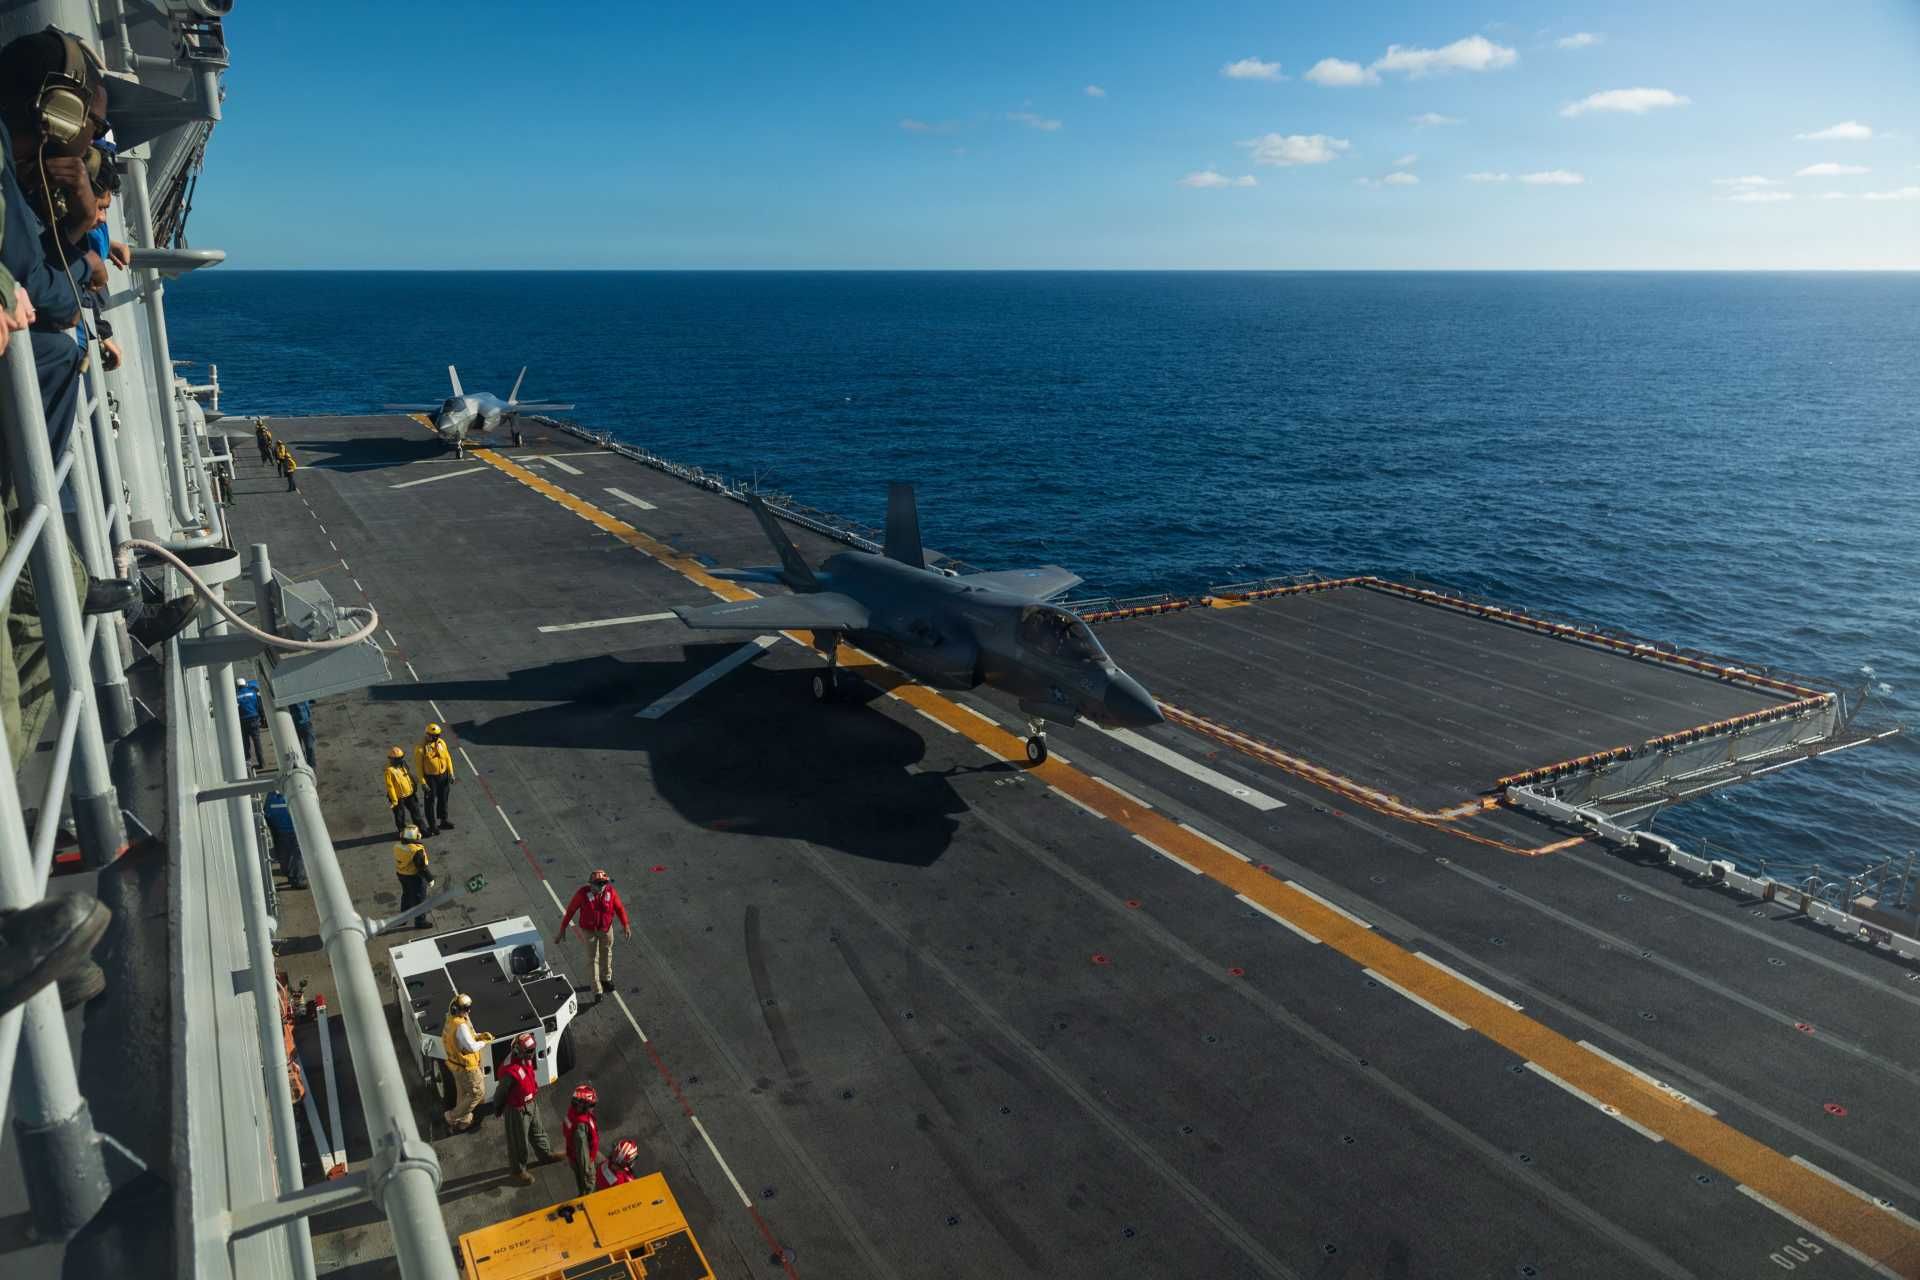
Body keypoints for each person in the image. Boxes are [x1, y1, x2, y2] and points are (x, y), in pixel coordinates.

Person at [556, 869, 630, 997]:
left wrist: (625, 925)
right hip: (589, 931)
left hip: (606, 930)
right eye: (600, 884)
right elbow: (571, 911)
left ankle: (606, 978)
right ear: (591, 884)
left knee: (607, 954)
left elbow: (619, 908)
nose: (603, 886)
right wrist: (562, 928)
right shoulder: (582, 894)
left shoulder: (610, 892)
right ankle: (597, 989)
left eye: (604, 883)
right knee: (593, 959)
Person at [497, 1032, 559, 1185]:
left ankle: (546, 1155)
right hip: (517, 1109)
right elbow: (501, 1092)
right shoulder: (510, 1070)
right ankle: (518, 1171)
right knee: (518, 1141)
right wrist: (498, 1108)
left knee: (538, 1131)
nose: (532, 1054)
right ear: (518, 1050)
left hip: (530, 1103)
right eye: (529, 1051)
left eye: (533, 1050)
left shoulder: (525, 1059)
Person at [440, 992, 491, 1133]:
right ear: (457, 1009)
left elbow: (463, 1039)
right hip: (467, 1067)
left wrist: (476, 1036)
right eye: (466, 1009)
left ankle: (463, 1122)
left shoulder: (451, 1020)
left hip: (455, 1064)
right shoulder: (461, 1026)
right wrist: (484, 1041)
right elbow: (471, 1047)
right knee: (477, 1093)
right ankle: (451, 1116)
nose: (469, 1011)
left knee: (463, 1093)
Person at [414, 721, 455, 834]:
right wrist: (423, 783)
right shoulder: (420, 749)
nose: (436, 737)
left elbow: (447, 758)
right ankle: (432, 826)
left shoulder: (441, 743)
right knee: (430, 802)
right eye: (433, 736)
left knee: (443, 799)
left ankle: (443, 820)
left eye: (437, 735)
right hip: (430, 779)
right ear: (427, 734)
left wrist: (451, 773)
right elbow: (418, 768)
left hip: (443, 776)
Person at [393, 824, 432, 928]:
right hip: (414, 877)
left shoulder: (397, 845)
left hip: (401, 874)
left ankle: (403, 919)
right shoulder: (416, 850)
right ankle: (420, 921)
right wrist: (430, 879)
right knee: (419, 899)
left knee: (406, 895)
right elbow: (421, 867)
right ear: (417, 836)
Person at [563, 1082, 599, 1196]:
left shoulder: (572, 1113)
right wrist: (587, 1172)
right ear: (582, 1106)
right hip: (582, 1161)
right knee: (588, 1187)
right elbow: (583, 1155)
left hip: (573, 1155)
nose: (593, 1108)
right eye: (591, 1105)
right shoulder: (580, 1128)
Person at [265, 789, 304, 889]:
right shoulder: (291, 793)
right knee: (296, 856)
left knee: (286, 856)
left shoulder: (271, 796)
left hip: (280, 833)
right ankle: (296, 879)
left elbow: (267, 813)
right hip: (294, 830)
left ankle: (292, 876)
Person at [384, 745, 425, 833]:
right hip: (398, 798)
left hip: (410, 794)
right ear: (392, 759)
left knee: (416, 813)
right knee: (400, 816)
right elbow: (390, 786)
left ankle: (423, 830)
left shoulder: (403, 765)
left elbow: (408, 776)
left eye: (401, 758)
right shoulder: (389, 770)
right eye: (398, 759)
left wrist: (413, 787)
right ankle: (402, 833)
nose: (400, 760)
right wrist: (394, 801)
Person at [235, 675, 264, 770]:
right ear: (245, 684)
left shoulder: (235, 696)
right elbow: (259, 705)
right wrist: (262, 717)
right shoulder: (252, 692)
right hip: (254, 719)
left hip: (243, 721)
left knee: (246, 744)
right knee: (257, 742)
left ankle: (248, 764)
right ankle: (262, 763)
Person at [291, 699, 316, 768]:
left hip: (306, 723)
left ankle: (312, 767)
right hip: (294, 725)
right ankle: (302, 765)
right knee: (298, 749)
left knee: (309, 747)